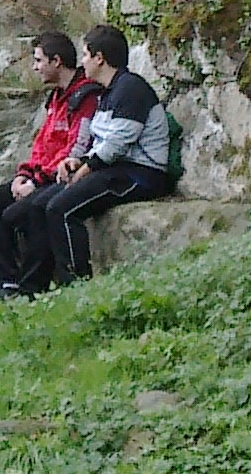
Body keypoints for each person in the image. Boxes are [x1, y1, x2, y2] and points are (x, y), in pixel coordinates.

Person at [31, 25, 178, 286]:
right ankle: (47, 283)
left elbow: (118, 143)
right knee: (43, 203)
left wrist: (86, 168)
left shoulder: (131, 87)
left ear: (100, 58)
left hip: (141, 173)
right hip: (116, 169)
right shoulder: (109, 91)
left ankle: (77, 284)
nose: (83, 62)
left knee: (62, 209)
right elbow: (101, 140)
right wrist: (77, 161)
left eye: (86, 55)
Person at [0, 34, 101, 297]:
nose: (35, 67)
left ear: (57, 61)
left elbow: (77, 146)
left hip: (64, 175)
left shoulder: (85, 96)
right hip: (40, 177)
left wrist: (37, 182)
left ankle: (32, 287)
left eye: (39, 60)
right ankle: (8, 282)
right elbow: (41, 145)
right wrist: (24, 175)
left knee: (22, 212)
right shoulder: (55, 98)